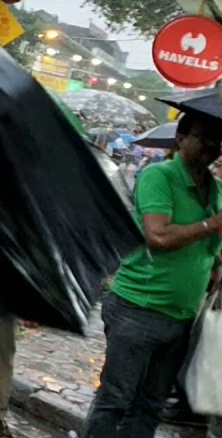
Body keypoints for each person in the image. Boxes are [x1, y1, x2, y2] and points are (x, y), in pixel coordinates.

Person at [84, 110, 222, 438]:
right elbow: (157, 237)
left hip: (182, 316)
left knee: (150, 405)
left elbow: (210, 247)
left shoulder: (215, 189)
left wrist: (216, 265)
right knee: (116, 399)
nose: (213, 147)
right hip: (138, 310)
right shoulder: (159, 176)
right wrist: (212, 225)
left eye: (219, 141)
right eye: (204, 138)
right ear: (181, 138)